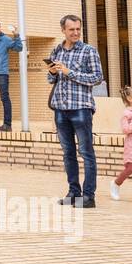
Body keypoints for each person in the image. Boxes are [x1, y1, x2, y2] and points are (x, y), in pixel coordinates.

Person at [47, 15, 104, 208]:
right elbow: (51, 80)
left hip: (81, 108)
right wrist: (53, 73)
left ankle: (89, 196)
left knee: (86, 152)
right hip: (60, 108)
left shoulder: (89, 51)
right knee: (68, 152)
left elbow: (97, 77)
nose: (76, 32)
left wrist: (69, 72)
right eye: (72, 29)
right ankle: (74, 192)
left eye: (78, 29)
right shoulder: (56, 50)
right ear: (63, 30)